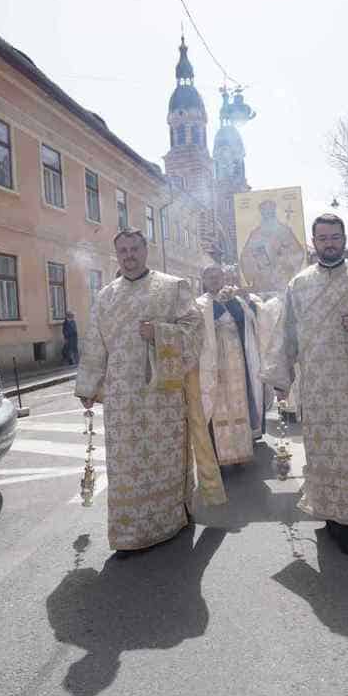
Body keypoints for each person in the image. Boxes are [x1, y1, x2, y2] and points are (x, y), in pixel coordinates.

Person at [263, 214, 348, 562]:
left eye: (335, 237)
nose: (329, 243)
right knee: (325, 456)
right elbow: (286, 333)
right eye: (322, 238)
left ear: (344, 238)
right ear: (313, 241)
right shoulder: (300, 284)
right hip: (319, 391)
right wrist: (281, 380)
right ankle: (333, 520)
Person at [74, 229, 207, 556]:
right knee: (126, 463)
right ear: (116, 254)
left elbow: (195, 329)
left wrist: (160, 333)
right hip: (122, 397)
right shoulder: (106, 296)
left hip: (162, 393)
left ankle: (172, 518)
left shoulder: (173, 287)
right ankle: (129, 533)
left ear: (145, 250)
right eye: (122, 250)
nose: (129, 255)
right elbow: (95, 344)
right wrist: (88, 385)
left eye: (134, 248)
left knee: (167, 456)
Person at [196, 264, 262, 467]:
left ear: (223, 278)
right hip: (212, 363)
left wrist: (240, 302)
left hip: (237, 362)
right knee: (217, 408)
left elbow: (249, 323)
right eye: (210, 277)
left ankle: (241, 452)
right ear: (204, 281)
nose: (215, 280)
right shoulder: (199, 304)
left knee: (238, 403)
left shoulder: (235, 299)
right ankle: (219, 456)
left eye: (218, 276)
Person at [238, 199, 306, 294]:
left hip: (282, 283)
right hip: (262, 284)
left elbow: (298, 253)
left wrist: (283, 258)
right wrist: (256, 266)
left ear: (274, 213)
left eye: (270, 213)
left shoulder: (285, 231)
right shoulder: (255, 234)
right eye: (266, 213)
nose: (268, 215)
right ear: (262, 215)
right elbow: (245, 257)